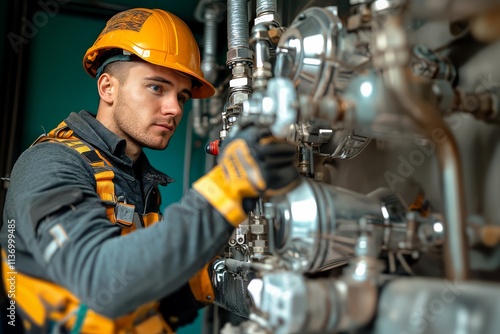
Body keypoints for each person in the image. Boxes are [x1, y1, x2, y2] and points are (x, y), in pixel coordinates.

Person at [0, 8, 299, 334]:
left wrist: (207, 280)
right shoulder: (51, 164)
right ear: (107, 88)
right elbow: (101, 282)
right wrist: (230, 183)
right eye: (157, 88)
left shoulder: (134, 177)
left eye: (182, 97)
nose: (174, 108)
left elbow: (138, 288)